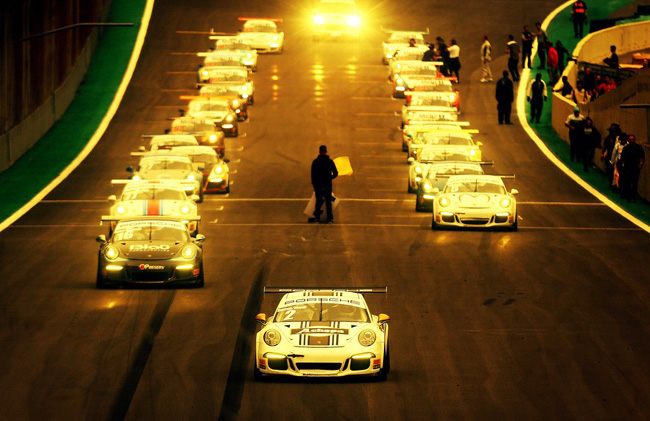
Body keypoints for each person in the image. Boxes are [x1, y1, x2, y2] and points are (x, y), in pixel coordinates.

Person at [309, 145, 338, 223]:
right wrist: (329, 177)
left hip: (318, 184)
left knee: (318, 201)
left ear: (319, 151)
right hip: (327, 184)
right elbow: (335, 173)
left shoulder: (315, 162)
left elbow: (313, 175)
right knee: (328, 202)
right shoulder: (330, 161)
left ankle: (317, 218)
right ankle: (330, 218)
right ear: (326, 151)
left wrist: (315, 185)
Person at [619, 134, 645, 201]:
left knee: (635, 182)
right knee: (628, 182)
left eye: (632, 139)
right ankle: (628, 196)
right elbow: (622, 158)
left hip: (635, 167)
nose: (631, 140)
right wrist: (622, 166)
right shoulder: (626, 148)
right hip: (627, 167)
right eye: (630, 139)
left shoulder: (638, 147)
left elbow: (642, 156)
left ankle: (633, 196)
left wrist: (640, 164)